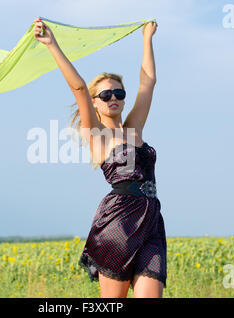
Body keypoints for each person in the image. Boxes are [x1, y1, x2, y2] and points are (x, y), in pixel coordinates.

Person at [33, 17, 166, 298]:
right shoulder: (96, 134)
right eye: (105, 94)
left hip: (152, 217)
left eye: (118, 92)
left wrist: (146, 38)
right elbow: (79, 87)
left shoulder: (134, 129)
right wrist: (52, 45)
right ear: (95, 102)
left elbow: (148, 82)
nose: (113, 98)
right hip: (119, 219)